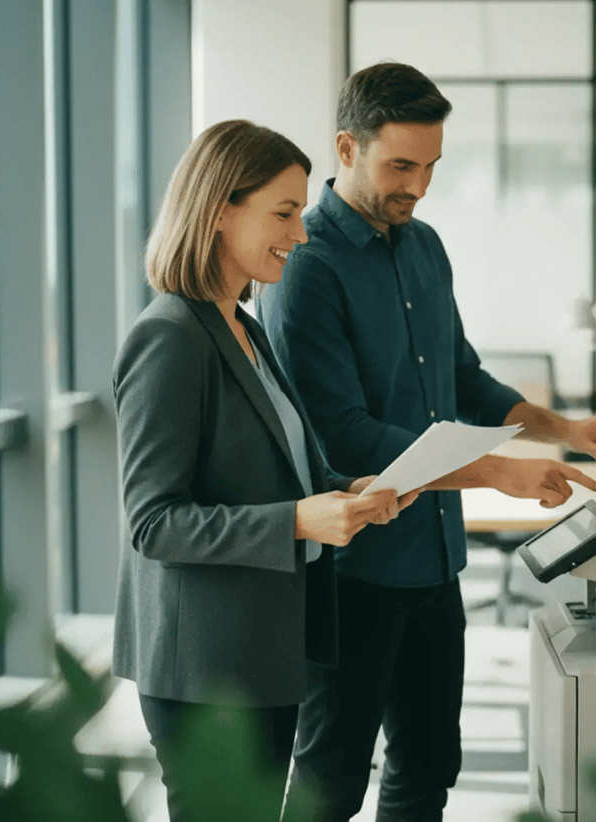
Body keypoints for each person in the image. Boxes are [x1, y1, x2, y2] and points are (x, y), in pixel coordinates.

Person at [260, 62, 596, 822]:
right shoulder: (307, 265)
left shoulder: (425, 247)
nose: (418, 186)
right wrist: (498, 472)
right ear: (347, 148)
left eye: (431, 166)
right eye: (400, 166)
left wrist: (567, 431)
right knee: (332, 784)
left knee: (427, 771)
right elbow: (341, 437)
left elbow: (462, 377)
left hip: (435, 560)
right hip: (353, 572)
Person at [111, 119, 417, 822]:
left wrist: (345, 492)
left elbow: (272, 469)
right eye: (284, 214)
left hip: (260, 653)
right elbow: (154, 523)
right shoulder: (169, 338)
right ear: (220, 209)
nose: (300, 234)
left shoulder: (240, 326)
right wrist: (300, 521)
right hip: (204, 670)